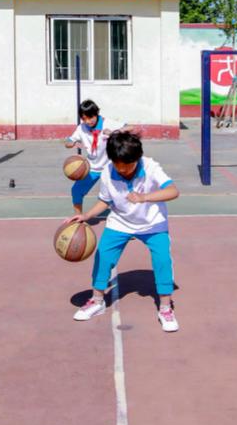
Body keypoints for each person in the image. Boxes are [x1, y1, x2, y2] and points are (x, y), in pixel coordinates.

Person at [65, 130, 182, 332]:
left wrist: (145, 197)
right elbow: (105, 200)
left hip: (152, 223)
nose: (124, 170)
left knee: (162, 259)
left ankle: (165, 307)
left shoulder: (151, 167)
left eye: (129, 166)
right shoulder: (108, 172)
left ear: (137, 158)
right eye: (120, 167)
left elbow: (173, 191)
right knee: (103, 256)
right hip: (120, 221)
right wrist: (86, 216)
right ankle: (97, 300)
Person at [64, 99, 126, 213]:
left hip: (110, 167)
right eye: (84, 118)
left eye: (90, 117)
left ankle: (125, 216)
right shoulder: (81, 128)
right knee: (76, 190)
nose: (87, 121)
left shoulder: (108, 123)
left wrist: (115, 132)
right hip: (91, 167)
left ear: (96, 113)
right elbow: (67, 141)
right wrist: (71, 143)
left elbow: (131, 128)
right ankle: (78, 218)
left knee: (117, 194)